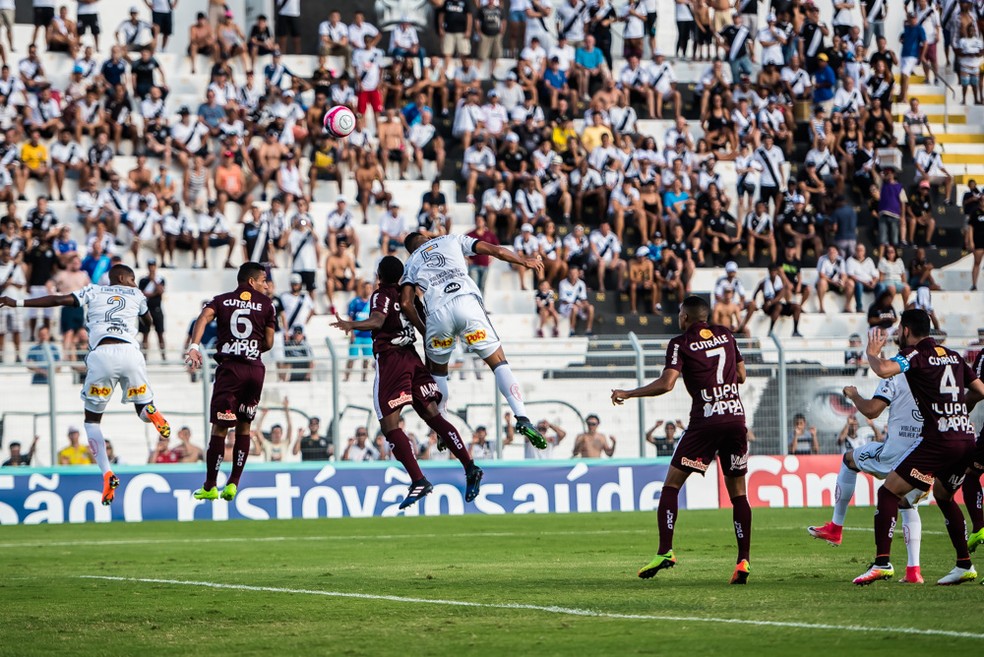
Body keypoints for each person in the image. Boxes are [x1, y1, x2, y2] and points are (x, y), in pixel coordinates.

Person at [0, 264, 172, 504]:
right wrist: (141, 319)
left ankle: (107, 473)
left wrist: (16, 302)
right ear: (123, 278)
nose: (134, 283)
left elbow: (57, 300)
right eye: (132, 279)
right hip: (130, 353)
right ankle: (150, 411)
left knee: (92, 421)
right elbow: (148, 322)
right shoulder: (138, 294)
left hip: (102, 354)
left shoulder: (93, 291)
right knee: (143, 407)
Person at [611, 296, 752, 585]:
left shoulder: (680, 342)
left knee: (671, 485)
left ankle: (665, 551)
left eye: (678, 313)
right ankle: (743, 560)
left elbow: (666, 383)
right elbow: (741, 376)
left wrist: (628, 393)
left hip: (706, 421)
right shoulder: (726, 334)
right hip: (736, 418)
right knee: (738, 493)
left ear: (685, 317)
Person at [332, 256, 484, 508]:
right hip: (413, 358)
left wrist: (352, 324)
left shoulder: (381, 295)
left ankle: (418, 480)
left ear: (379, 274)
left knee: (389, 425)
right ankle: (470, 465)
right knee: (434, 416)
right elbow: (423, 322)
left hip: (392, 360)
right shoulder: (409, 295)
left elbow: (378, 321)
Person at [854, 311, 984, 585]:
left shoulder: (916, 354)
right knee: (944, 496)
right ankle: (964, 565)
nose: (900, 334)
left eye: (901, 329)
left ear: (908, 329)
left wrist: (872, 352)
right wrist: (960, 409)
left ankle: (882, 563)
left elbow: (883, 369)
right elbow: (981, 390)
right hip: (965, 437)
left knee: (889, 492)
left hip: (939, 440)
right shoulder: (953, 355)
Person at [400, 232, 548, 449]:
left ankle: (442, 429)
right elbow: (495, 251)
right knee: (498, 363)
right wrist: (524, 261)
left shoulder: (411, 262)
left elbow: (405, 303)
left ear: (411, 249)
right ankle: (522, 417)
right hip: (466, 304)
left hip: (438, 316)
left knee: (439, 372)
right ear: (426, 237)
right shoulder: (451, 239)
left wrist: (424, 330)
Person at [808, 375, 927, 583]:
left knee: (848, 460)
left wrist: (854, 395)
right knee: (907, 503)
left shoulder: (896, 373)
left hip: (892, 453)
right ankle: (913, 571)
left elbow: (872, 409)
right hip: (922, 454)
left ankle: (836, 527)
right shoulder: (935, 374)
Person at [185, 262, 276, 502]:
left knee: (220, 428)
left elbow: (204, 317)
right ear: (251, 282)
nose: (266, 285)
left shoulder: (222, 300)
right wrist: (252, 345)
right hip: (255, 370)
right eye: (263, 280)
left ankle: (210, 484)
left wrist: (194, 346)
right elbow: (269, 342)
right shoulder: (267, 305)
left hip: (230, 370)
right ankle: (233, 482)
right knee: (245, 426)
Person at [138, 258, 166, 360]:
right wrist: (153, 293)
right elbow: (141, 293)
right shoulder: (143, 280)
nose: (152, 268)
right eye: (150, 266)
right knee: (145, 333)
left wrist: (153, 280)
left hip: (157, 309)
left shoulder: (160, 279)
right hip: (146, 309)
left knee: (160, 333)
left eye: (153, 265)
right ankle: (145, 356)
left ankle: (163, 356)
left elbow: (160, 291)